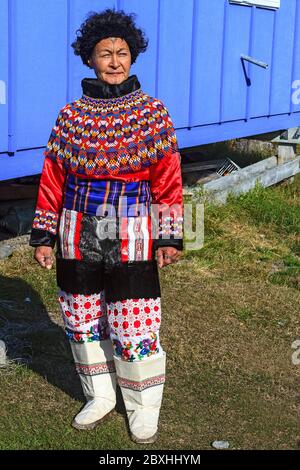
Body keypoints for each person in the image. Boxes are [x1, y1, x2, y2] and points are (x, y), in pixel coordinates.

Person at [29, 8, 183, 445]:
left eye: (122, 53)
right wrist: (43, 235)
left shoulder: (153, 113)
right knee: (82, 318)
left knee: (134, 321)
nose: (114, 62)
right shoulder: (70, 116)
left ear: (132, 57)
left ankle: (142, 406)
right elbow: (53, 177)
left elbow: (168, 178)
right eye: (104, 53)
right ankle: (99, 394)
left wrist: (170, 235)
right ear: (89, 59)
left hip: (132, 230)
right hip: (76, 229)